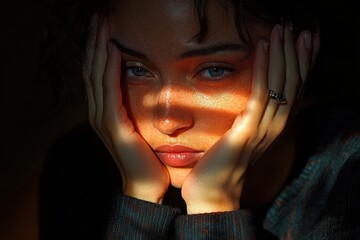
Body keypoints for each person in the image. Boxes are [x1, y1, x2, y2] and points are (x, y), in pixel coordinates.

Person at [39, 0, 360, 239]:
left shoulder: (348, 170)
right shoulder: (76, 170)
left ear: (298, 49)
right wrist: (138, 202)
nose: (167, 120)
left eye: (214, 70)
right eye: (135, 69)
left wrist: (213, 206)